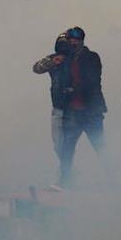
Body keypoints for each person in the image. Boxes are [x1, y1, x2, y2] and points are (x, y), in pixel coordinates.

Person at [36, 27, 107, 188]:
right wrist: (53, 62)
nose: (72, 43)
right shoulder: (62, 59)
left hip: (91, 111)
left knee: (100, 145)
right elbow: (37, 68)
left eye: (76, 40)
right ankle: (66, 181)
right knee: (66, 148)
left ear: (82, 41)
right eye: (70, 40)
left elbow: (92, 80)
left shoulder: (91, 57)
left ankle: (114, 177)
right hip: (72, 111)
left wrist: (73, 89)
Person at [33, 33, 73, 165]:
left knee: (70, 143)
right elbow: (36, 68)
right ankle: (67, 169)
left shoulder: (76, 59)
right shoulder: (53, 58)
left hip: (73, 107)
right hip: (58, 107)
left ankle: (67, 170)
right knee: (58, 144)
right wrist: (52, 62)